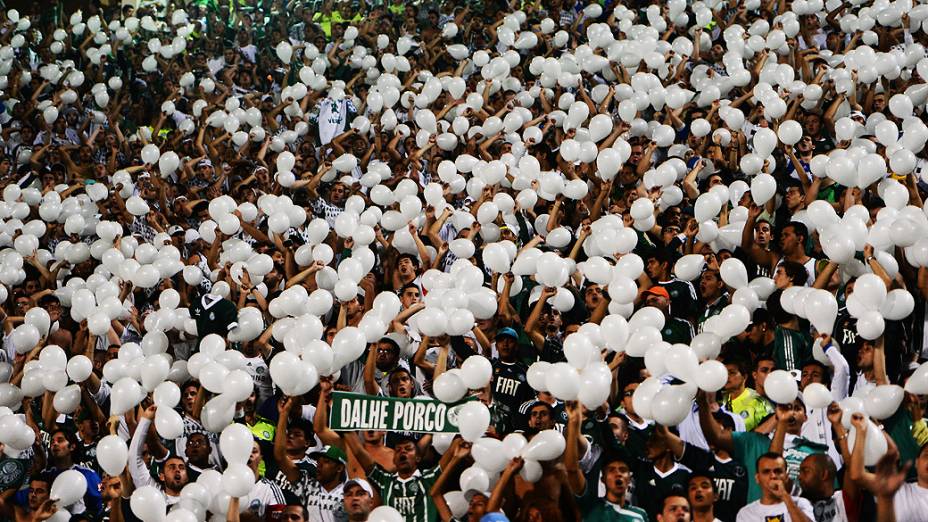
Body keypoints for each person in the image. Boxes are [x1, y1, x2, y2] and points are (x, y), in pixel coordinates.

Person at [736, 453, 814, 522]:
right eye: (766, 472)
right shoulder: (746, 513)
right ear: (757, 478)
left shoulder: (801, 503)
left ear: (786, 477)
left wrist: (785, 496)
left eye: (778, 471)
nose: (773, 476)